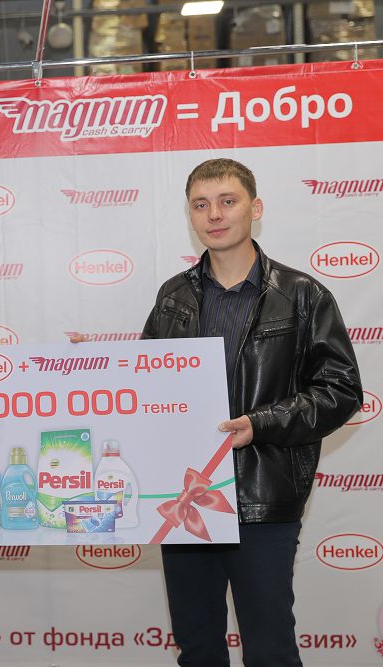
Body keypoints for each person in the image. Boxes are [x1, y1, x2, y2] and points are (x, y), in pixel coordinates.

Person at [140, 158, 362, 666]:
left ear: (254, 208)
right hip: (186, 498)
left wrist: (260, 424)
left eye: (227, 201)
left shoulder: (302, 295)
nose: (214, 215)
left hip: (263, 496)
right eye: (201, 204)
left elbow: (341, 389)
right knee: (197, 649)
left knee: (269, 651)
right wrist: (97, 369)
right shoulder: (172, 297)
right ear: (190, 216)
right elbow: (148, 386)